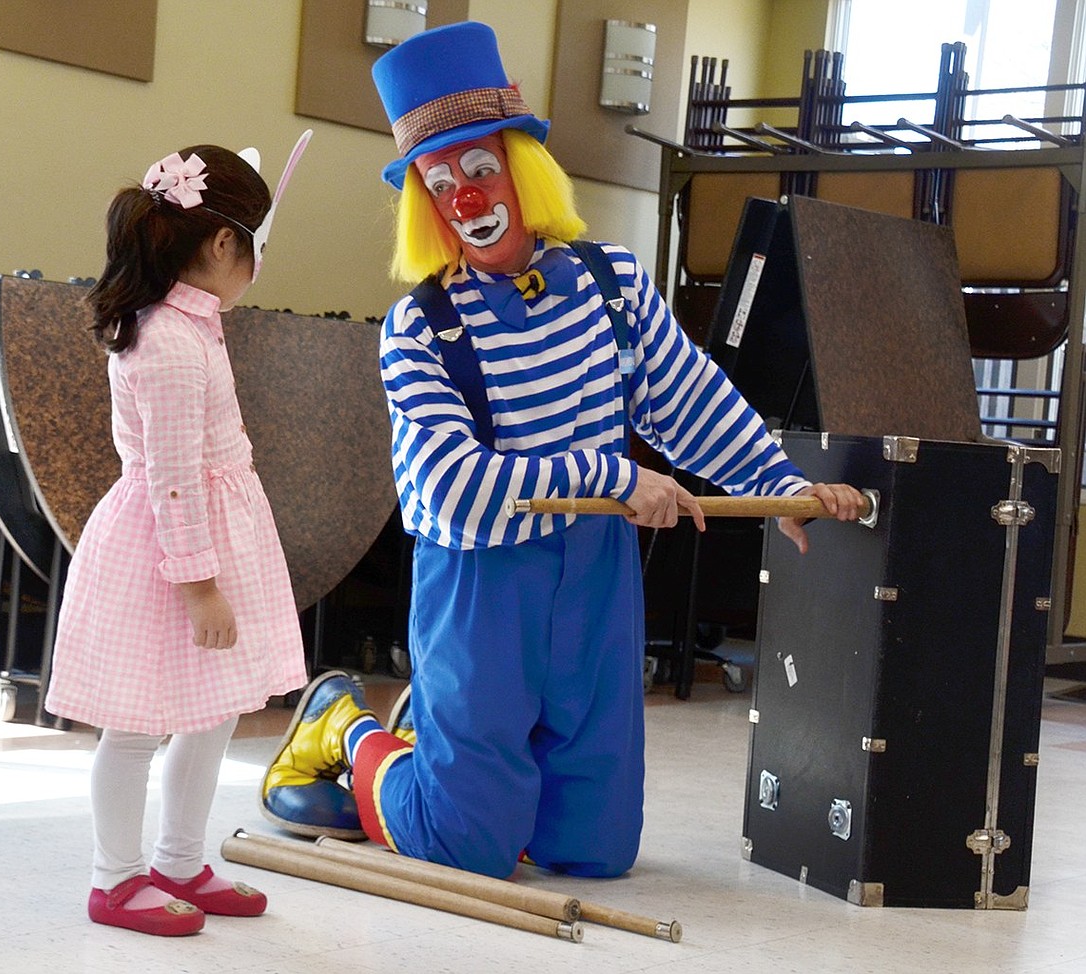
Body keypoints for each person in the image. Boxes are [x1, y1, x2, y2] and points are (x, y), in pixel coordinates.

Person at [260, 21, 863, 880]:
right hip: (480, 583)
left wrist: (777, 483)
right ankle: (346, 727)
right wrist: (613, 479)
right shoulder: (419, 327)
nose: (466, 198)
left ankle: (454, 759)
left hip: (595, 576)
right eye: (440, 184)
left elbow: (686, 399)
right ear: (424, 207)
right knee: (468, 847)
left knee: (594, 852)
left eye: (479, 168)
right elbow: (448, 487)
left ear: (521, 165)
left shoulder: (611, 283)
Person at [46, 135, 312, 936]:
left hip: (208, 536)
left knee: (213, 712)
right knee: (135, 724)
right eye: (259, 247)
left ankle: (178, 858)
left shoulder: (193, 326)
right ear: (224, 241)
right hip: (167, 550)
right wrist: (199, 584)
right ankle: (115, 879)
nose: (261, 265)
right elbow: (170, 474)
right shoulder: (165, 339)